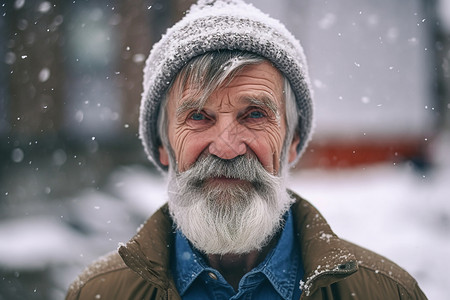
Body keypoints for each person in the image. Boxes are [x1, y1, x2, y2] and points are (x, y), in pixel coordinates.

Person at [66, 0, 428, 299]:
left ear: (292, 143)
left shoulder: (386, 292)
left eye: (254, 114)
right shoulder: (98, 292)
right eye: (198, 116)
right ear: (163, 146)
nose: (226, 147)